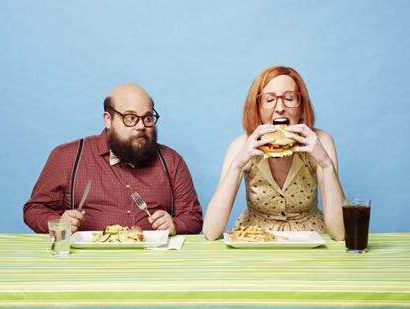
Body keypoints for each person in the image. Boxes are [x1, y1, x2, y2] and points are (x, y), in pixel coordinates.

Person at [24, 84, 203, 235]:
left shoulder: (171, 161)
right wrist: (57, 222)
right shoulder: (67, 156)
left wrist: (175, 225)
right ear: (108, 119)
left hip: (153, 263)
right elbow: (34, 209)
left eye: (147, 118)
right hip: (84, 264)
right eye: (130, 118)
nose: (141, 126)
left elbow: (193, 217)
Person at [203, 66, 344, 241]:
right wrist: (237, 164)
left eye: (289, 98)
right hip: (255, 241)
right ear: (257, 109)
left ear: (301, 108)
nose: (279, 108)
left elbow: (340, 234)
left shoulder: (319, 141)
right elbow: (210, 231)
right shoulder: (242, 145)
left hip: (310, 239)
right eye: (269, 100)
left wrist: (326, 165)